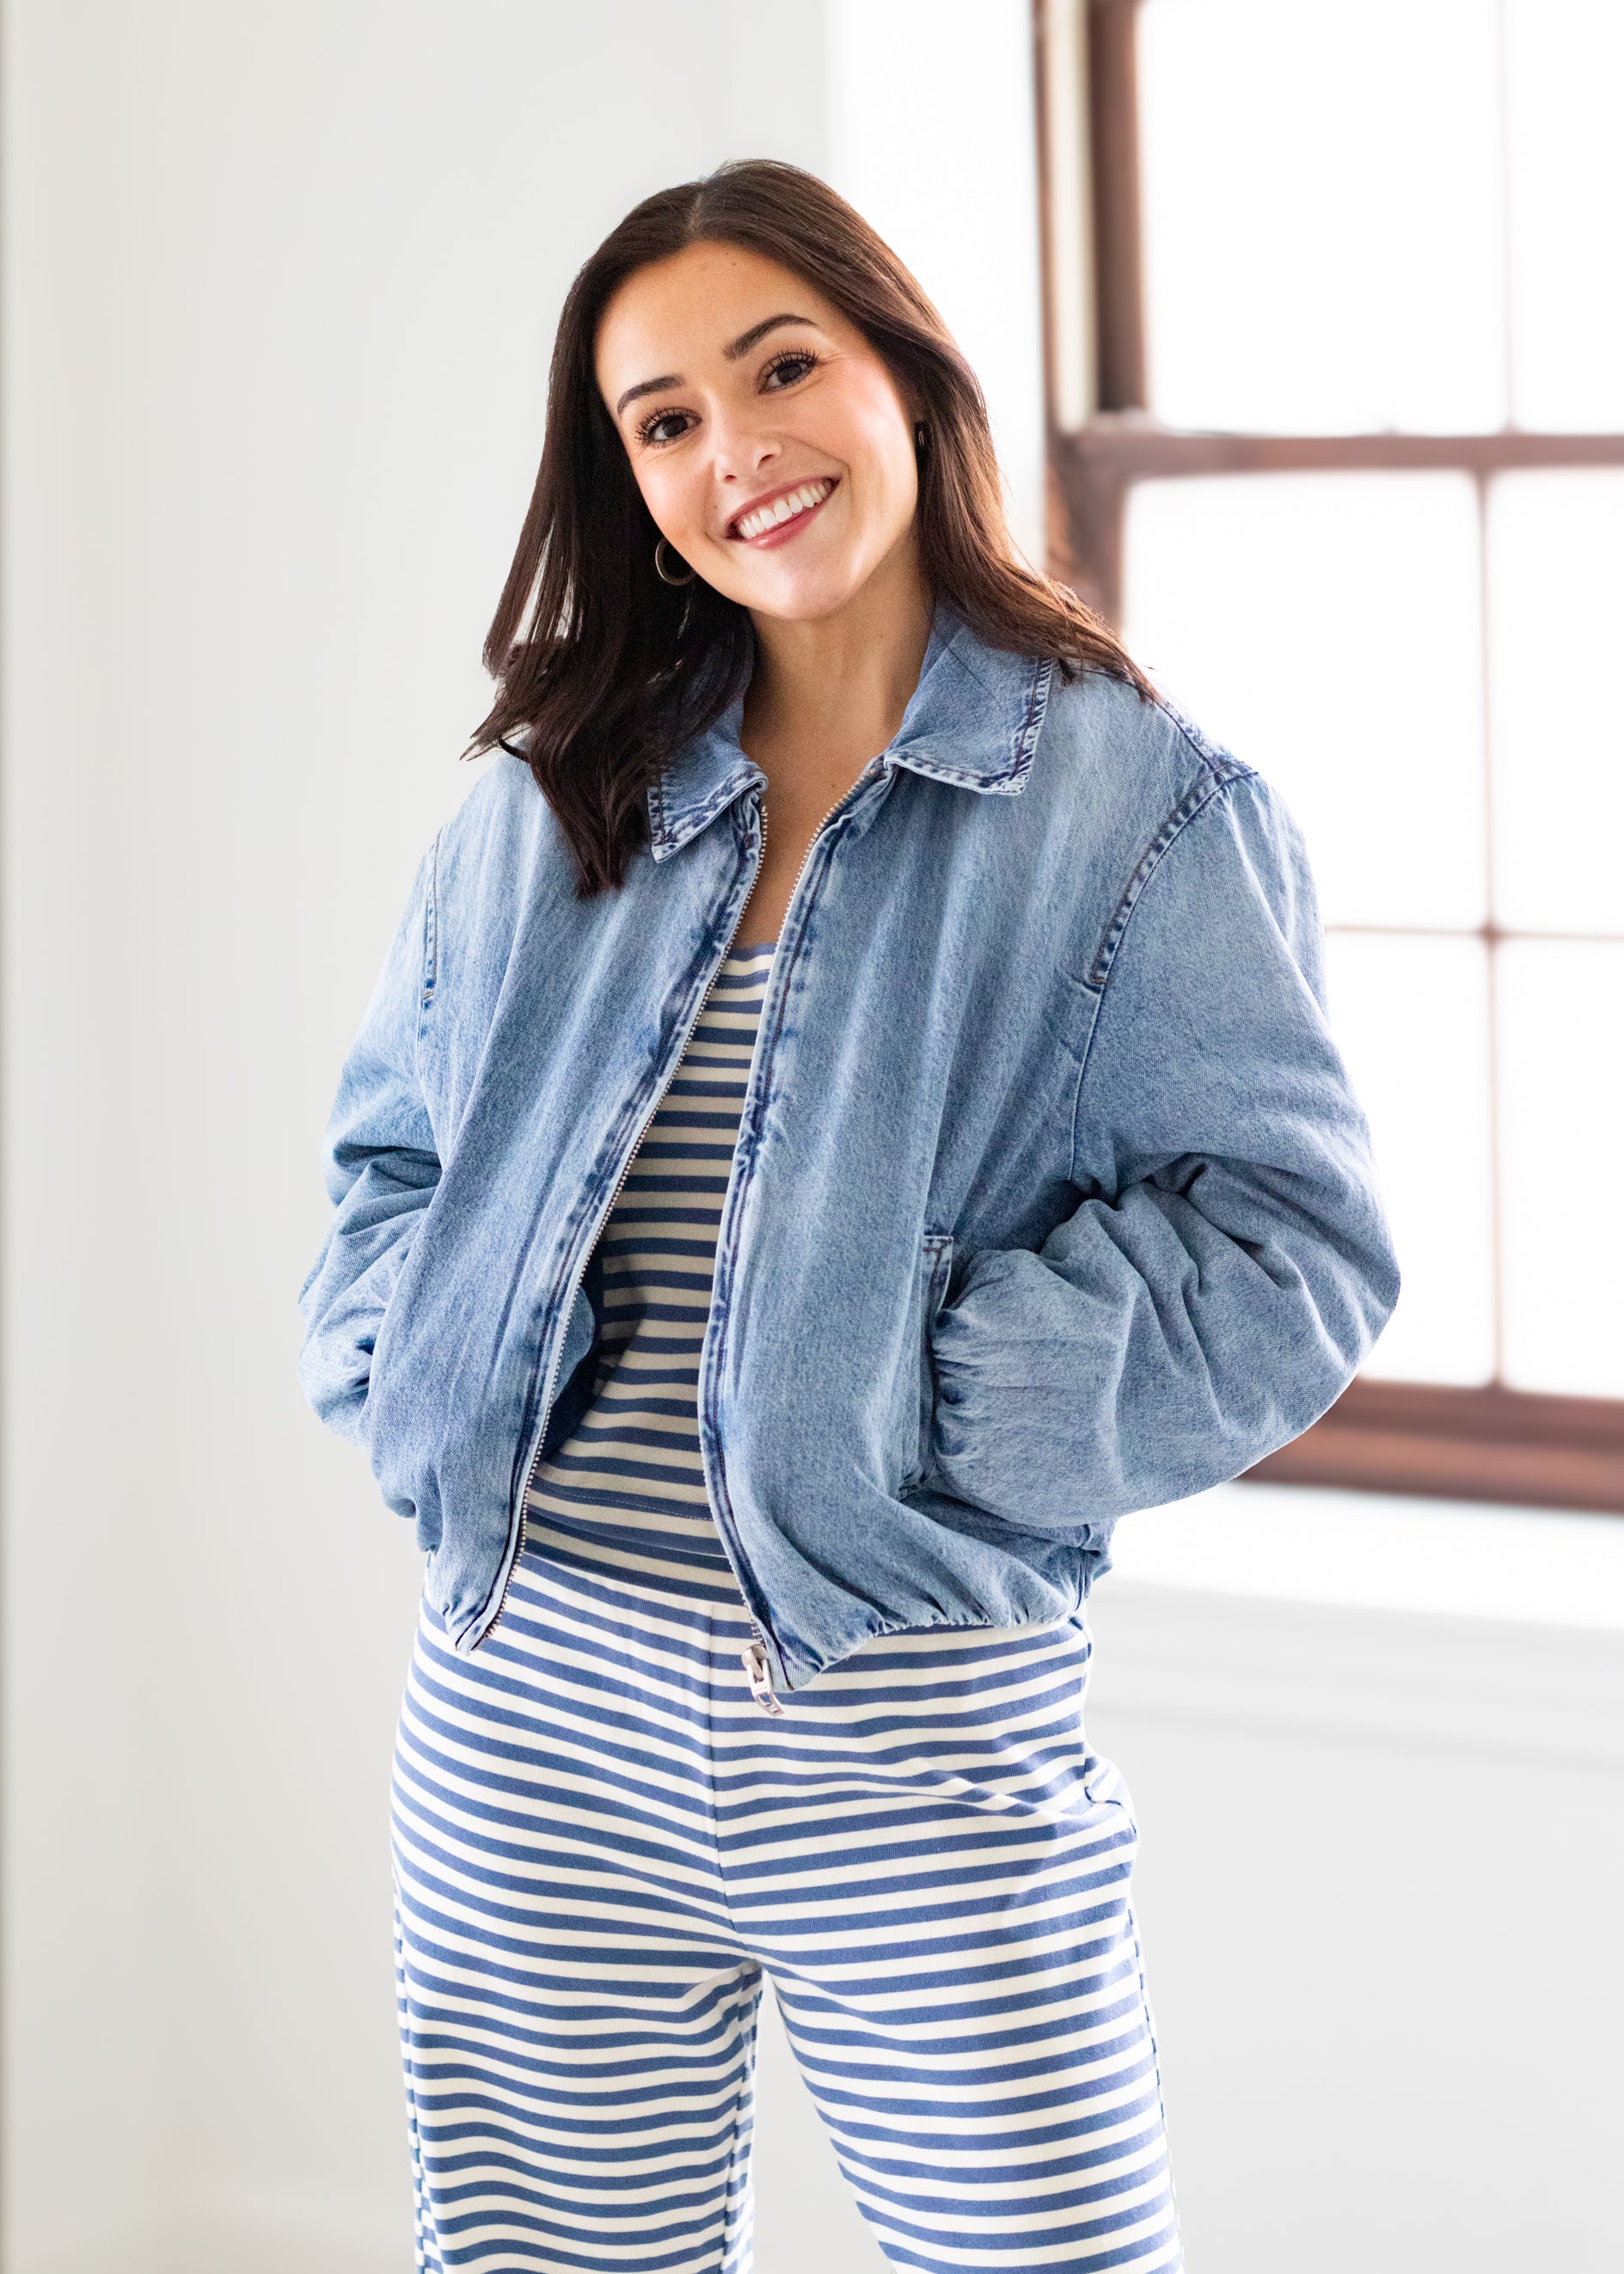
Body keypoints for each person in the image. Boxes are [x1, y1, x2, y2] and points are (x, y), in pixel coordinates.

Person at [299, 160, 1397, 2274]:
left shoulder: (1147, 809)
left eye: (780, 367)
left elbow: (1295, 1248)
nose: (740, 452)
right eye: (666, 421)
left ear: (900, 370)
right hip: (525, 1717)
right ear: (631, 485)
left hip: (907, 1720)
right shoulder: (547, 802)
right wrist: (422, 1387)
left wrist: (916, 1408)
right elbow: (385, 1169)